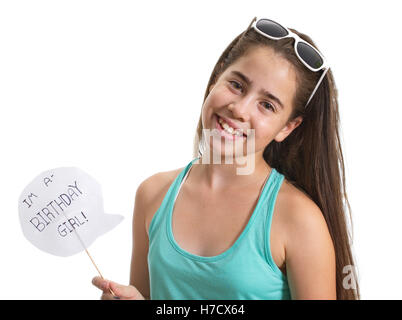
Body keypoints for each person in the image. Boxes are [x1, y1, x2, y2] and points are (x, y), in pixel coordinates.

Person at [92, 16, 360, 300]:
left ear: (287, 127)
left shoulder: (299, 220)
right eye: (237, 85)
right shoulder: (153, 194)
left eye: (267, 105)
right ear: (217, 76)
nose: (240, 109)